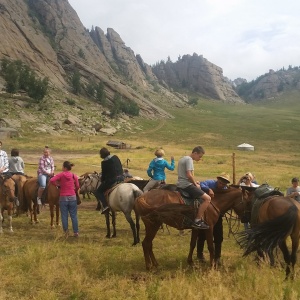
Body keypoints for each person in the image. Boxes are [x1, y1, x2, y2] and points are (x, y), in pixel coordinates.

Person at [197, 173, 231, 261]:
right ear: (217, 180)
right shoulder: (210, 183)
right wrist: (209, 189)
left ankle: (217, 257)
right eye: (220, 183)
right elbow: (201, 184)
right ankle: (200, 254)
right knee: (202, 235)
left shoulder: (225, 190)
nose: (221, 185)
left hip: (217, 215)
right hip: (206, 214)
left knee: (218, 236)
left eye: (224, 184)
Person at [177, 146, 211, 229]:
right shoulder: (189, 160)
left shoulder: (183, 158)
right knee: (207, 199)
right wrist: (195, 185)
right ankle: (197, 220)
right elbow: (189, 175)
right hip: (186, 184)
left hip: (180, 183)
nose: (200, 159)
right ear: (195, 153)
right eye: (199, 156)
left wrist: (195, 182)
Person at [50, 161, 80, 237]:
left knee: (64, 215)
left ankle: (66, 232)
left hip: (63, 197)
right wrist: (74, 190)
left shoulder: (61, 175)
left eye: (62, 166)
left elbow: (52, 180)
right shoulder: (74, 176)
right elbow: (77, 186)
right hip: (72, 197)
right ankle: (76, 232)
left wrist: (57, 185)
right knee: (74, 215)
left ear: (65, 168)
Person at [95, 147, 124, 214]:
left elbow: (104, 174)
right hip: (121, 178)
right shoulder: (115, 157)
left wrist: (102, 180)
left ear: (102, 155)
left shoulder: (104, 162)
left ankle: (105, 206)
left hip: (112, 180)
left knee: (98, 191)